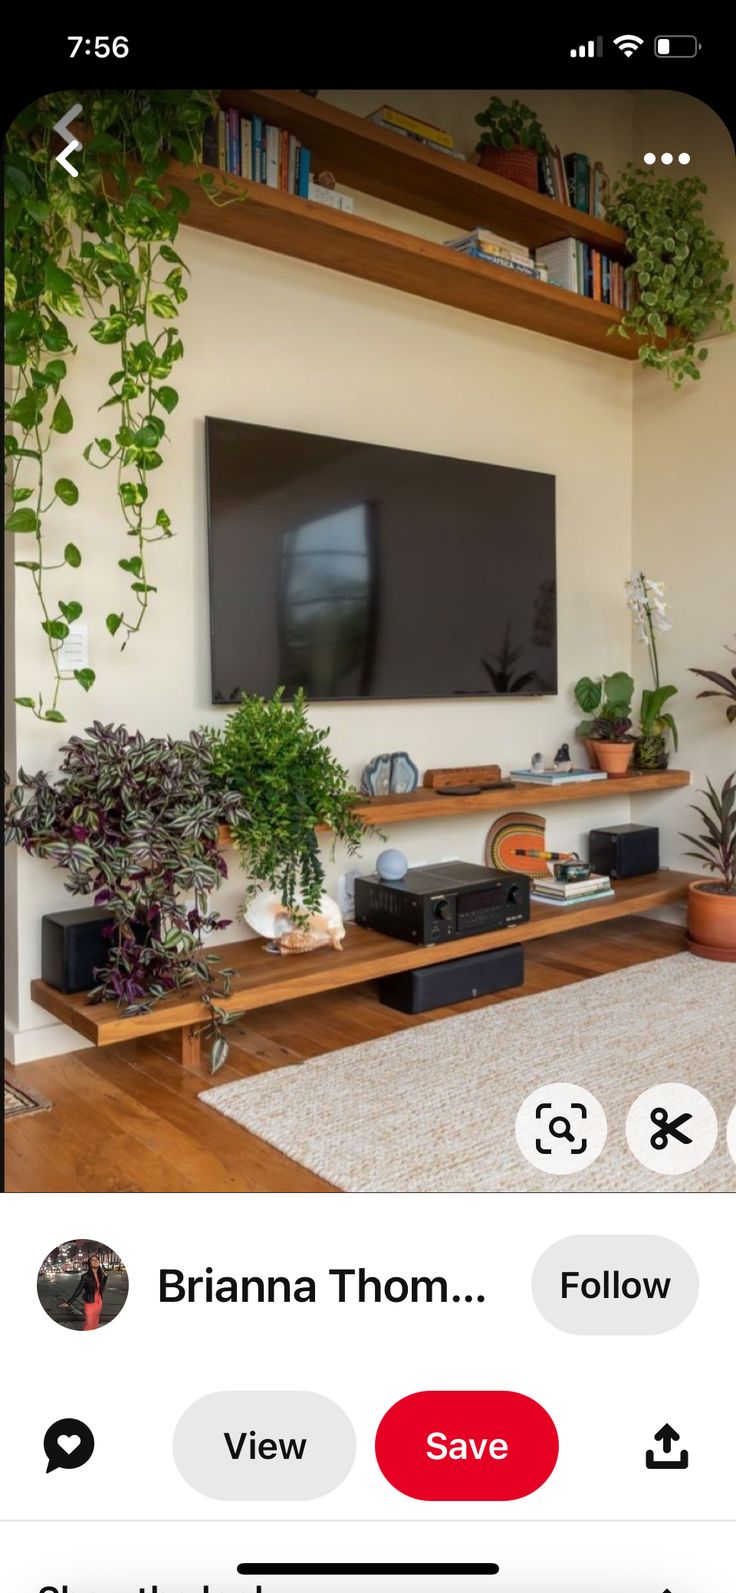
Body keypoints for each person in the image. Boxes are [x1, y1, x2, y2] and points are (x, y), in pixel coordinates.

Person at [61, 1254, 107, 1331]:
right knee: (89, 1324)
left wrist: (105, 1278)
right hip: (90, 1303)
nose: (95, 1261)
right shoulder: (85, 1276)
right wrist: (69, 1302)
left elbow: (101, 1289)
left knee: (95, 1323)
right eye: (93, 1260)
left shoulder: (101, 1275)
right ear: (89, 1264)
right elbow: (78, 1290)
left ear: (99, 1262)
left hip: (99, 1303)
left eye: (97, 1259)